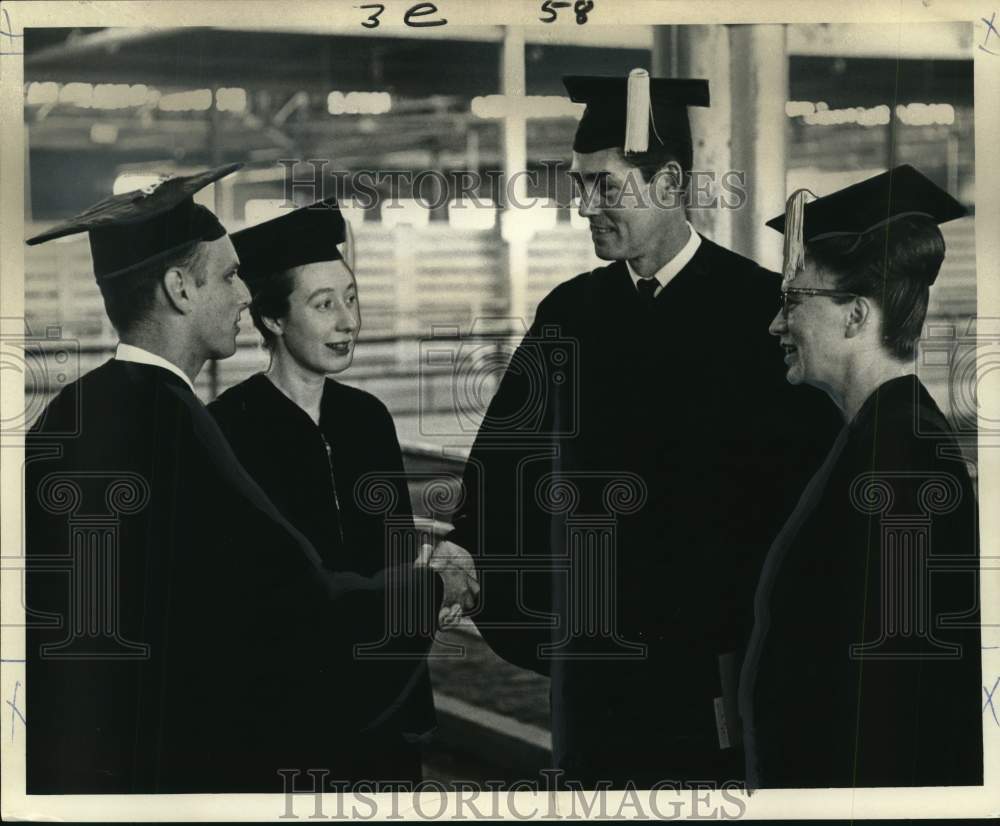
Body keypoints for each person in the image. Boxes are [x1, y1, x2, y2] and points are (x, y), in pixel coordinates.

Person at [430, 70, 839, 788]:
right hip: (590, 664)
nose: (583, 206)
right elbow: (505, 450)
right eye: (578, 185)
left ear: (670, 181)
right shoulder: (571, 312)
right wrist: (464, 546)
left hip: (711, 661)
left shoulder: (757, 313)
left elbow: (803, 490)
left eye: (604, 187)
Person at [24, 167, 464, 793]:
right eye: (229, 276)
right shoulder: (184, 431)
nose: (241, 296)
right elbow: (293, 606)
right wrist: (433, 588)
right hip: (174, 763)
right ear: (179, 288)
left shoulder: (72, 410)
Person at [739, 164, 983, 788]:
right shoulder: (875, 435)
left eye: (794, 300)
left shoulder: (900, 466)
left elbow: (897, 698)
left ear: (855, 316)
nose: (775, 324)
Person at [208, 199, 462, 783]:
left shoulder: (368, 418)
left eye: (350, 297)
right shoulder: (228, 428)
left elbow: (396, 559)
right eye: (324, 305)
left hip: (385, 704)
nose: (348, 320)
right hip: (286, 719)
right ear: (272, 318)